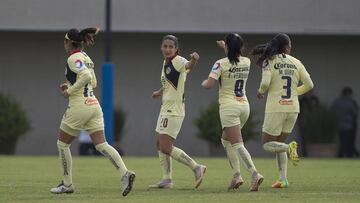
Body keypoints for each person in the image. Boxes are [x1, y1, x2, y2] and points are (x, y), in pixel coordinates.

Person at [50, 28, 135, 196]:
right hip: (93, 104)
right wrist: (70, 84)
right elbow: (93, 82)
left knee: (62, 144)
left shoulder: (73, 57)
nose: (64, 45)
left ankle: (67, 184)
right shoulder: (86, 57)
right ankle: (125, 173)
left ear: (68, 43)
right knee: (102, 145)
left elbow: (87, 78)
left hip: (79, 106)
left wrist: (70, 91)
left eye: (65, 42)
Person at [201, 33, 264, 191]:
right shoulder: (247, 61)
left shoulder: (220, 64)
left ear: (228, 47)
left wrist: (203, 82)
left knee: (237, 143)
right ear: (240, 48)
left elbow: (209, 85)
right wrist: (227, 47)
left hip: (229, 107)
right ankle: (236, 176)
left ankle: (254, 174)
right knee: (226, 140)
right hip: (243, 106)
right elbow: (235, 58)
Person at [252, 33, 314, 188]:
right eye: (290, 45)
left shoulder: (269, 60)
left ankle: (289, 148)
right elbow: (309, 85)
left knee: (267, 144)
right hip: (293, 109)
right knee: (278, 143)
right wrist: (294, 93)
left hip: (276, 108)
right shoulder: (297, 62)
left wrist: (260, 91)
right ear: (286, 47)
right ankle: (283, 179)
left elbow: (265, 83)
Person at [149, 35, 206, 189]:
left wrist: (194, 60)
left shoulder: (179, 60)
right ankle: (167, 179)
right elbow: (169, 82)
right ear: (161, 47)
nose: (167, 49)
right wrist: (160, 92)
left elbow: (188, 66)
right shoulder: (166, 62)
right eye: (165, 46)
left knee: (166, 146)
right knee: (159, 144)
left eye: (170, 47)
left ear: (176, 49)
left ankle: (196, 167)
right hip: (165, 108)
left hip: (174, 110)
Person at [332, 86, 359, 157]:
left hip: (339, 125)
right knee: (349, 141)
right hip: (349, 125)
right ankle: (350, 154)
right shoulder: (350, 102)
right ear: (349, 93)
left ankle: (341, 154)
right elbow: (355, 113)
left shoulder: (337, 102)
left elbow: (332, 112)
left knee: (342, 141)